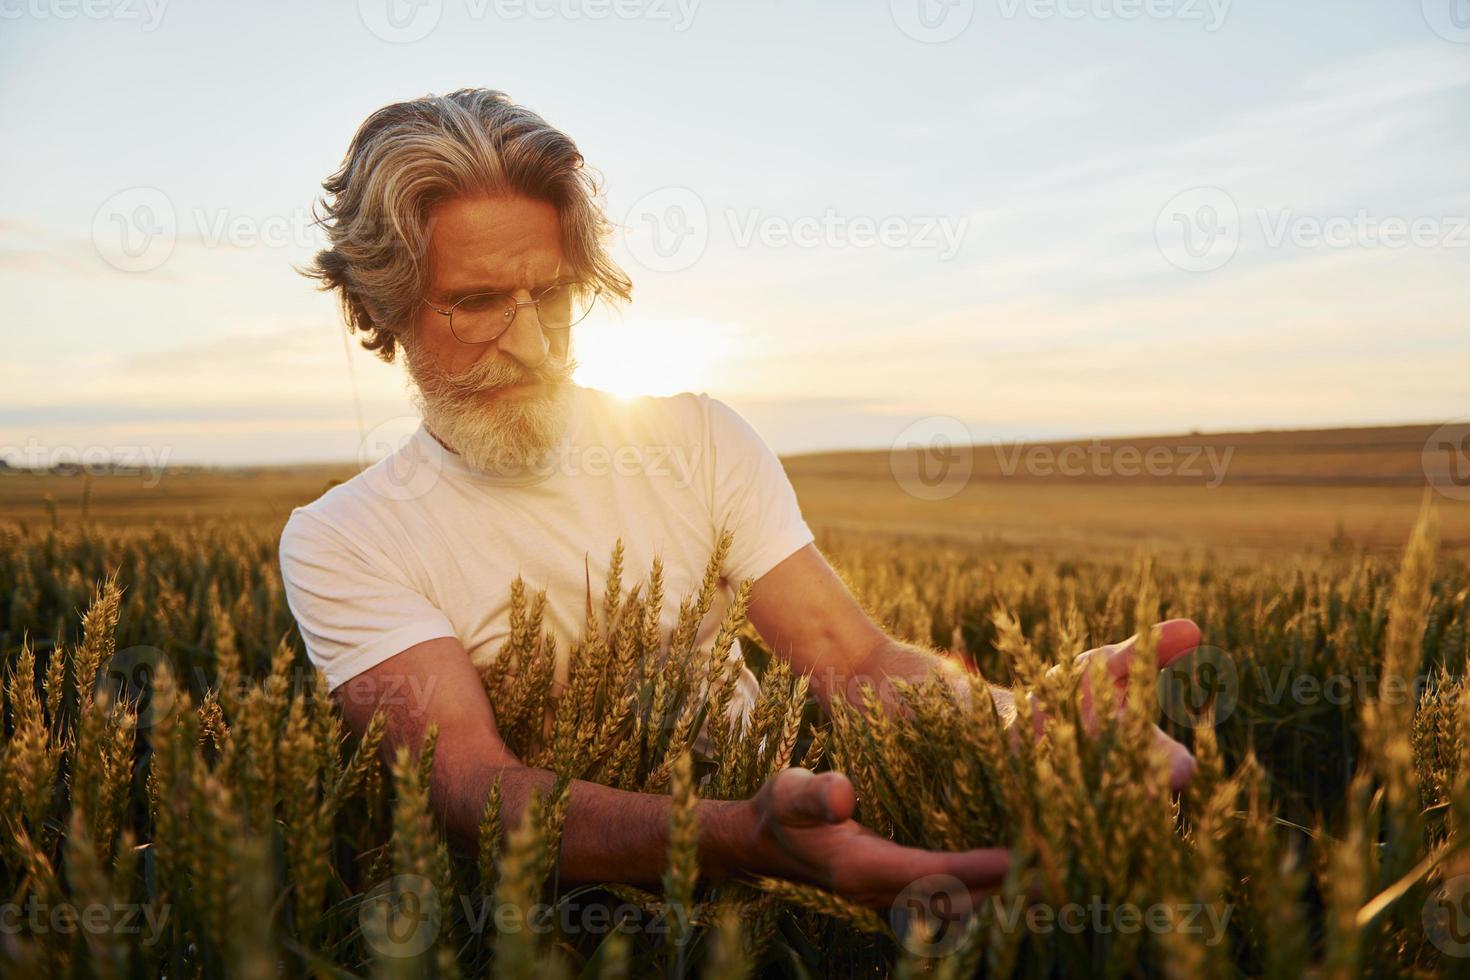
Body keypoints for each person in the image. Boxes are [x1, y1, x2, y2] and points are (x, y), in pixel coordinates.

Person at [278, 88, 1198, 908]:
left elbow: (852, 658)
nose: (533, 344)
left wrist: (1016, 724)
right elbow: (474, 789)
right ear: (378, 311)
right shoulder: (345, 540)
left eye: (553, 295)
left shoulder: (695, 440)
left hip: (800, 853)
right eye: (476, 302)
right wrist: (733, 834)